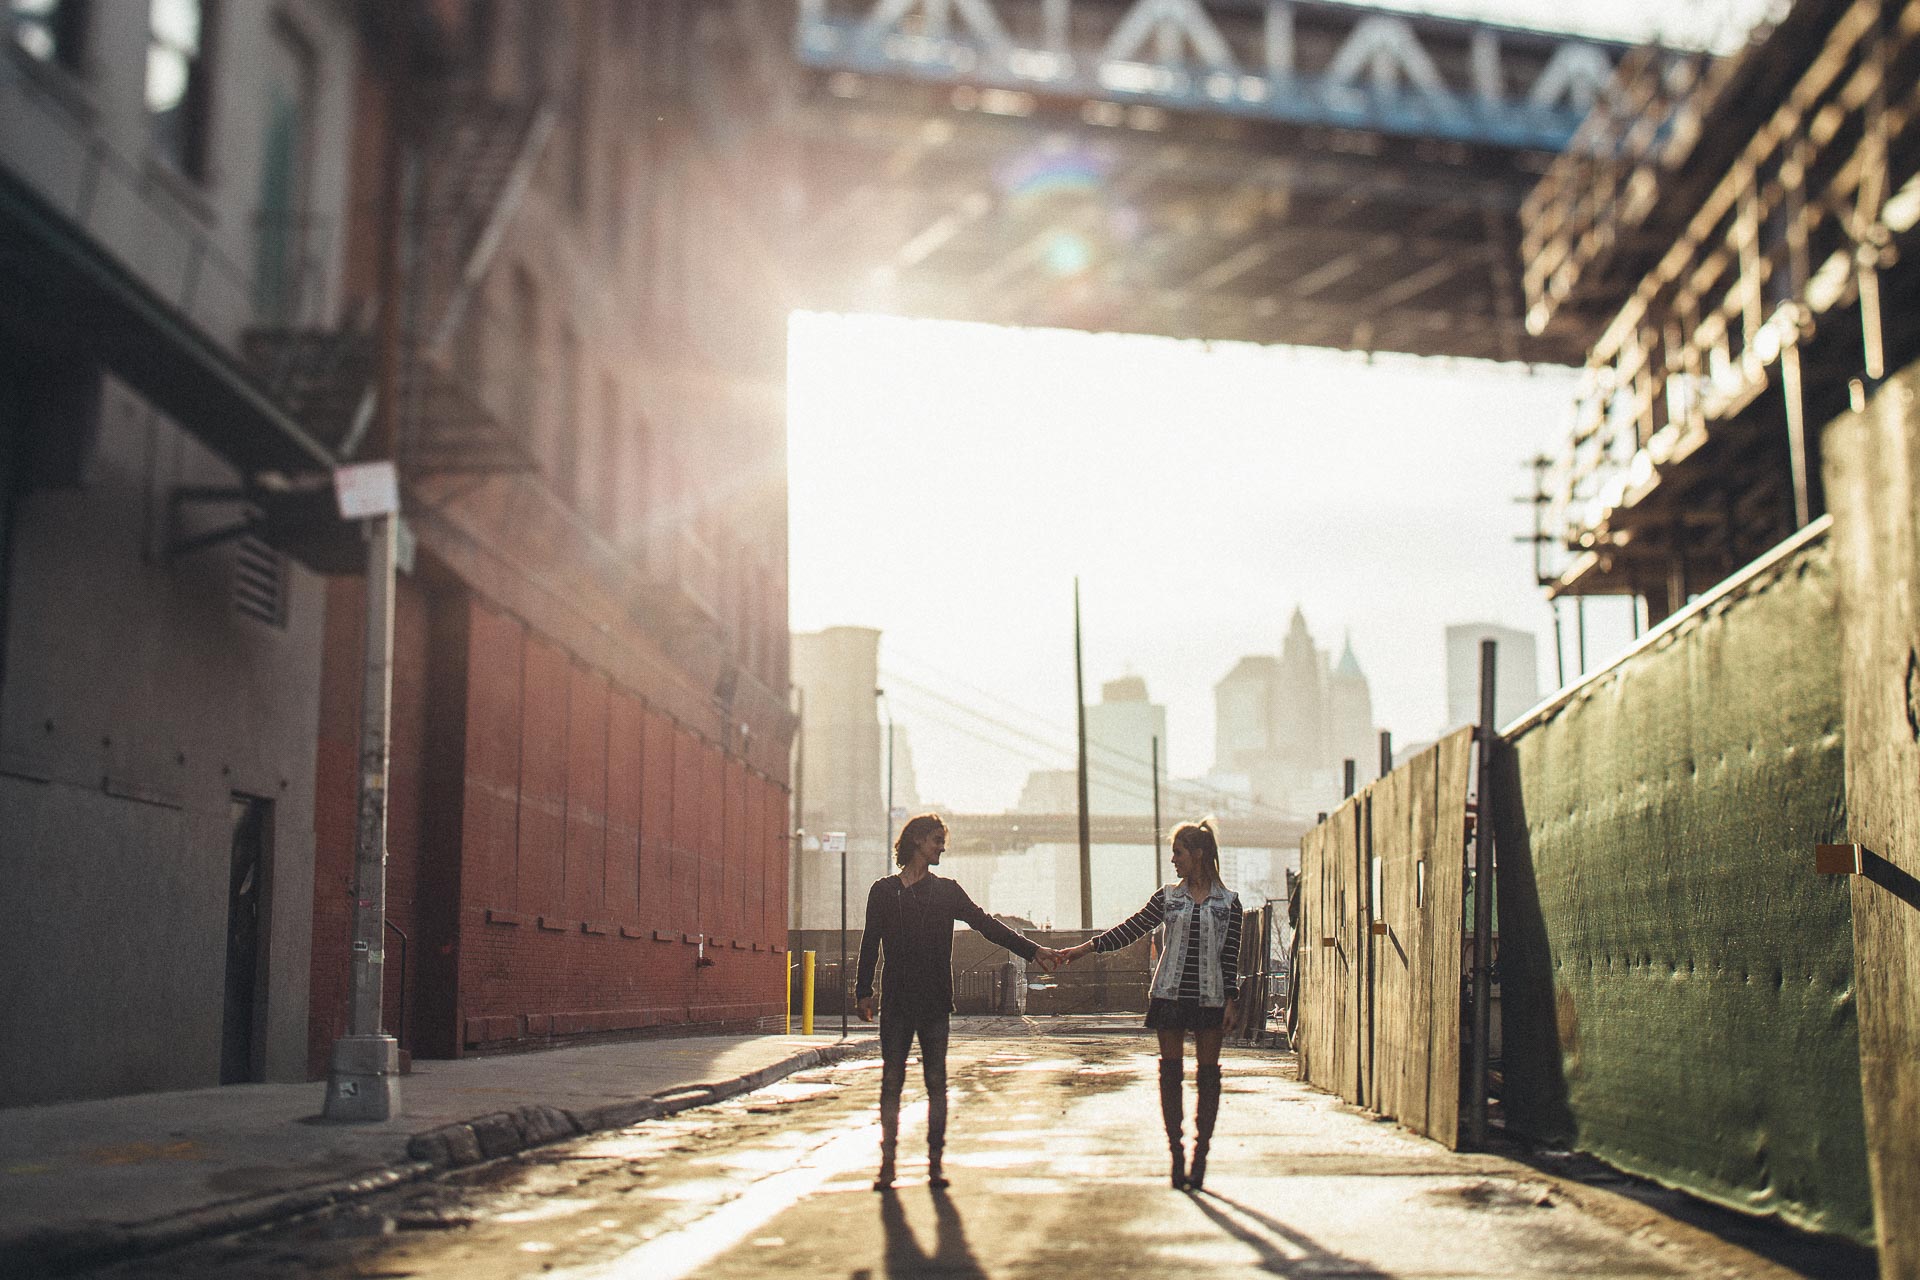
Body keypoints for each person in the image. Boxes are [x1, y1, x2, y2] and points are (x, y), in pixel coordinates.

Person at [856, 813, 1063, 1191]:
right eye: (937, 839)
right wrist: (862, 991)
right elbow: (870, 942)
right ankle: (888, 1164)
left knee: (936, 1082)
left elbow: (986, 925)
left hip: (935, 1001)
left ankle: (934, 1165)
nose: (942, 847)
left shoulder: (947, 891)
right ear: (918, 841)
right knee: (892, 1081)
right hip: (897, 1002)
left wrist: (1032, 950)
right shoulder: (883, 891)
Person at [1060, 818, 1243, 1191]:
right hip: (1170, 996)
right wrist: (1085, 948)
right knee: (1170, 1075)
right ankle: (1176, 1155)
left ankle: (1201, 1156)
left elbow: (1231, 958)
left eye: (1178, 853)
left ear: (1197, 854)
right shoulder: (1168, 898)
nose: (1173, 860)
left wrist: (1231, 1001)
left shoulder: (1230, 904)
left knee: (1209, 1078)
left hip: (1210, 999)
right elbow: (1132, 928)